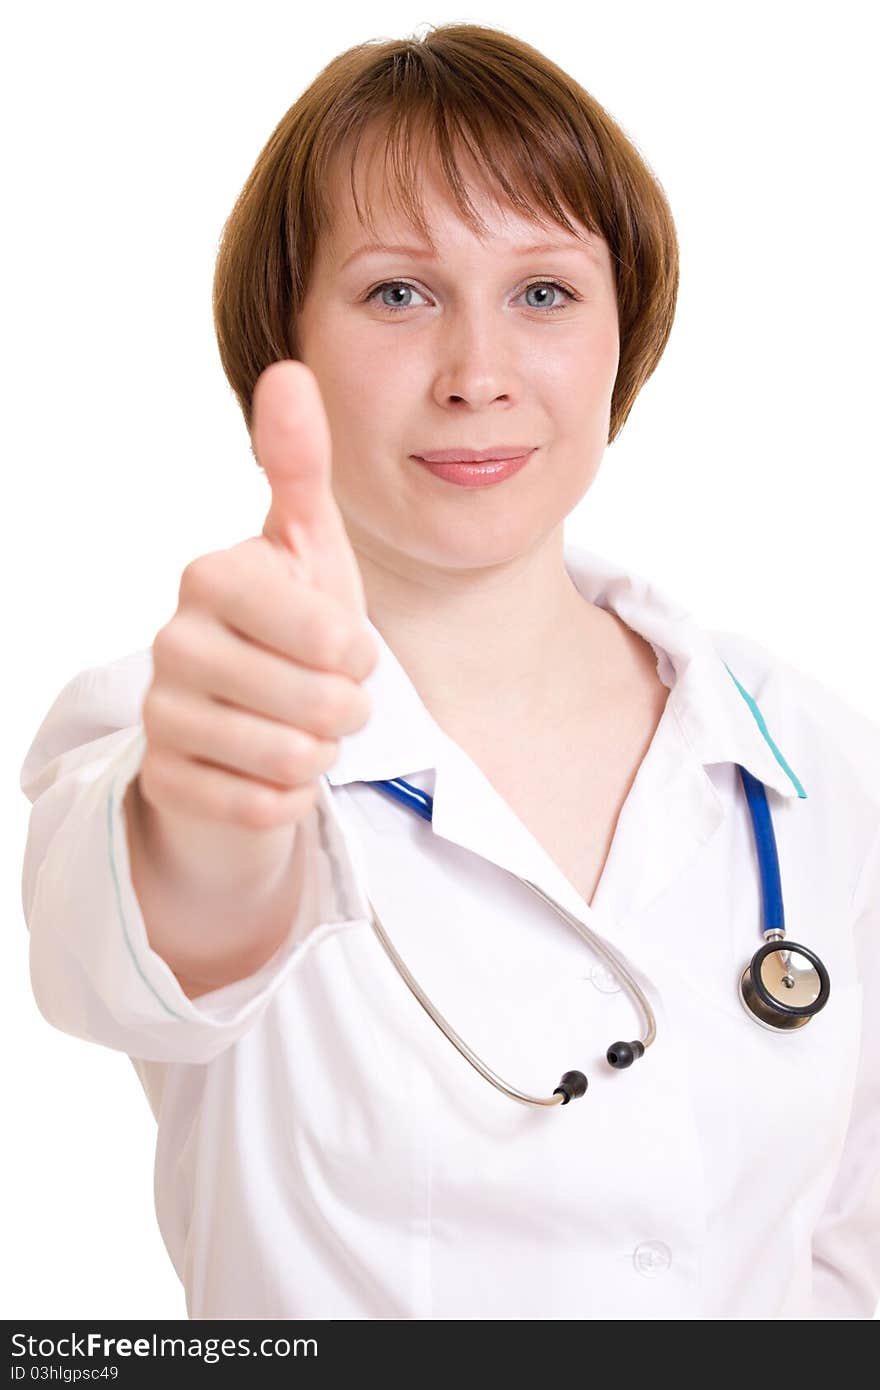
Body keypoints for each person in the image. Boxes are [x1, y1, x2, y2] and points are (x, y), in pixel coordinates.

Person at [19, 21, 880, 1321]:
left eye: (543, 292)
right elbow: (141, 942)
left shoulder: (802, 747)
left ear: (620, 332)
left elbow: (850, 1250)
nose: (478, 374)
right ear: (284, 342)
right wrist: (204, 815)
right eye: (398, 293)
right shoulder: (204, 713)